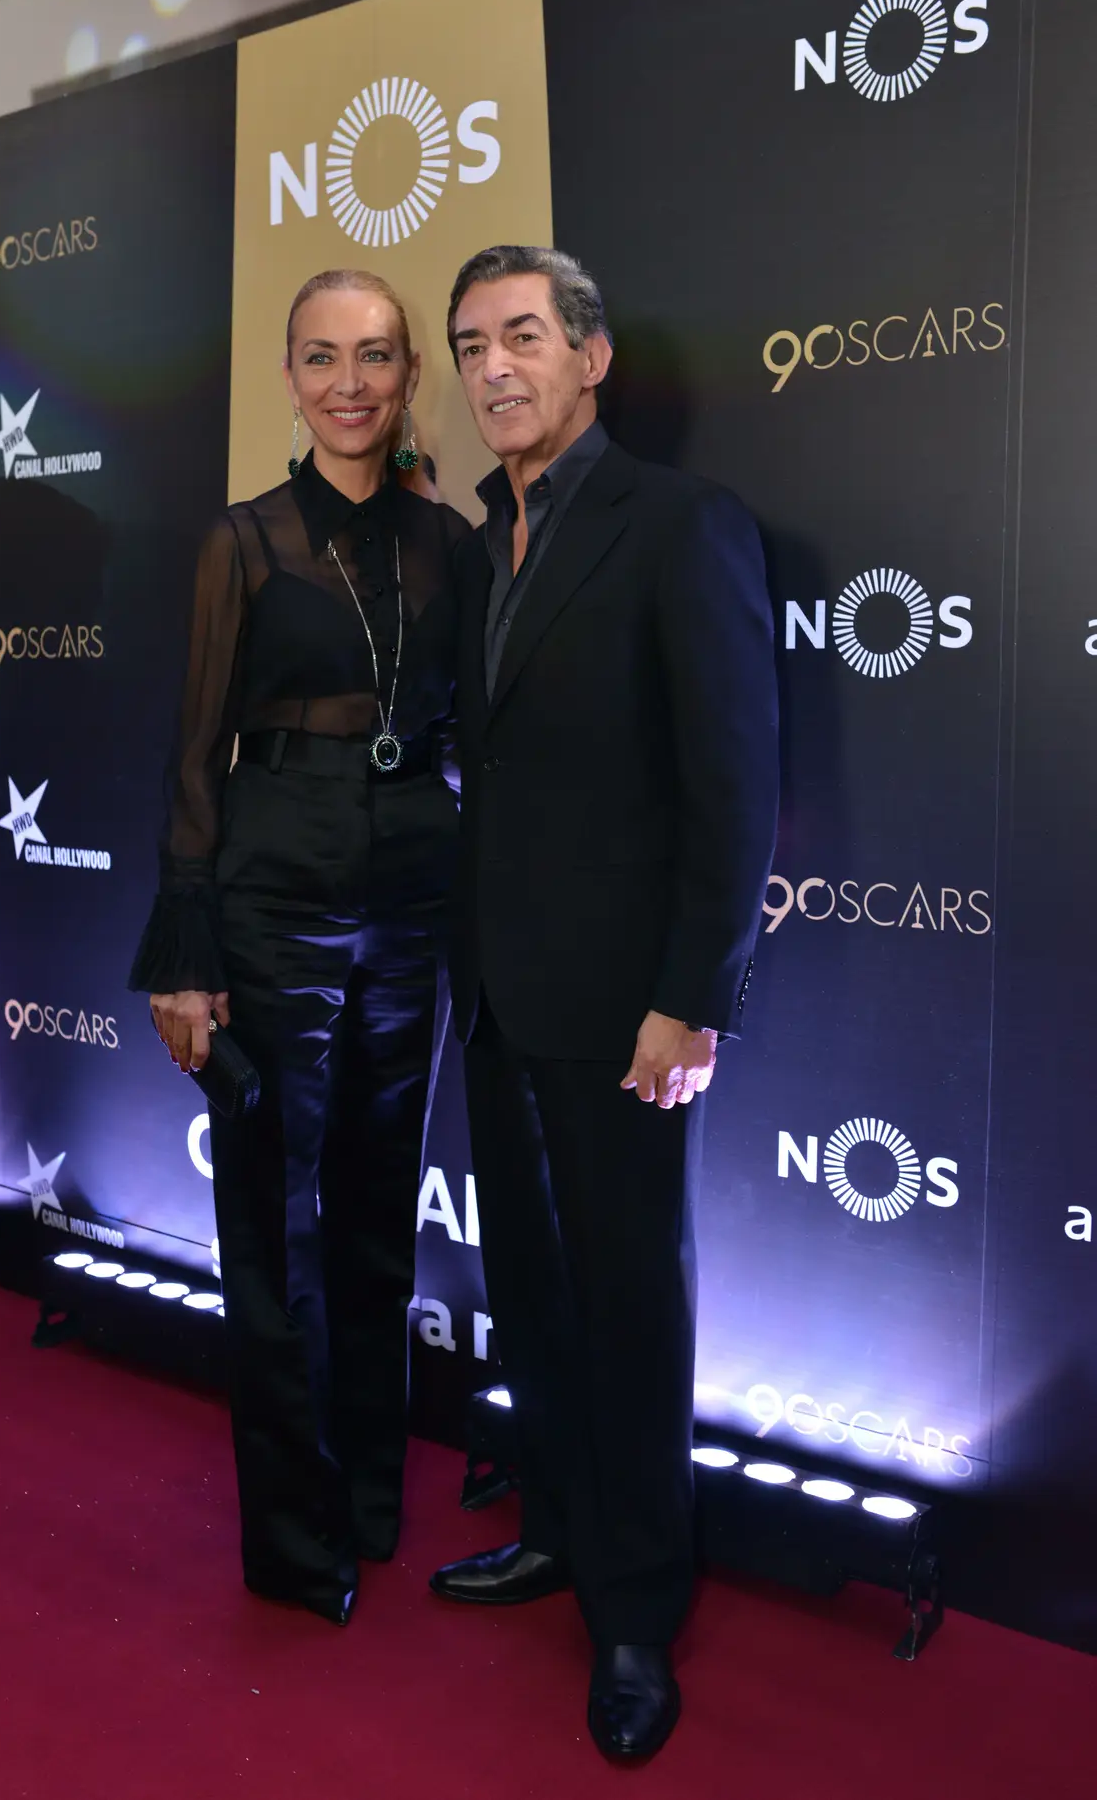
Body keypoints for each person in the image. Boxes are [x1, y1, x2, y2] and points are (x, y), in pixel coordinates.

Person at [430, 246, 779, 1759]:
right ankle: (560, 1531)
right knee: (534, 1292)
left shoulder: (681, 523)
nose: (492, 366)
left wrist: (692, 999)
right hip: (499, 998)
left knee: (632, 1304)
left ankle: (635, 1610)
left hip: (631, 1011)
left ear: (591, 356)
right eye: (469, 344)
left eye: (521, 334)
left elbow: (736, 785)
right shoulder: (476, 550)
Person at [130, 269, 467, 1626]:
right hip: (272, 903)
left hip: (414, 902)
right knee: (275, 1222)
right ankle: (291, 1532)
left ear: (408, 375)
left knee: (382, 1210)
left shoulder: (450, 540)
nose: (349, 383)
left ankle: (369, 1491)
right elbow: (194, 753)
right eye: (322, 357)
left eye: (375, 356)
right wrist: (185, 949)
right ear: (289, 376)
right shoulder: (246, 541)